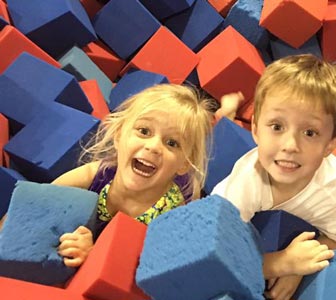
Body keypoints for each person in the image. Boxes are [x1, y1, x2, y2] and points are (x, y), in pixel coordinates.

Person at [0, 84, 241, 267]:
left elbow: (142, 268)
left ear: (182, 164)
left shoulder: (171, 216)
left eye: (171, 143)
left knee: (205, 154)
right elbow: (30, 208)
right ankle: (221, 116)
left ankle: (224, 115)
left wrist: (94, 256)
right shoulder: (95, 174)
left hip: (180, 189)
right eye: (144, 131)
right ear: (118, 136)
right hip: (169, 171)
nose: (154, 146)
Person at [211, 54, 336, 300]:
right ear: (256, 129)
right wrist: (280, 264)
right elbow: (216, 257)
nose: (291, 145)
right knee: (215, 155)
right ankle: (225, 119)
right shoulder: (245, 181)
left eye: (310, 132)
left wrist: (301, 266)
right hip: (237, 198)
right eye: (277, 126)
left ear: (331, 144)